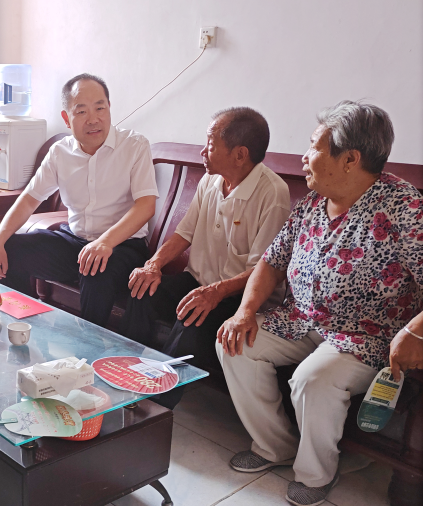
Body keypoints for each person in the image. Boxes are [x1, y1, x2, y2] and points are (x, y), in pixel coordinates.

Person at [216, 101, 423, 506]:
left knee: (314, 379)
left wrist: (415, 331)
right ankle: (275, 446)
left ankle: (316, 473)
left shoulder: (405, 207)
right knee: (233, 343)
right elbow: (271, 263)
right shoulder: (313, 201)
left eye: (314, 146)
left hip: (366, 336)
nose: (304, 156)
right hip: (300, 320)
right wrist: (244, 312)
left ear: (350, 159)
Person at [120, 107, 290, 378]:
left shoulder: (273, 193)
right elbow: (184, 233)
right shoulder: (211, 179)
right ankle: (124, 368)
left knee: (193, 319)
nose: (203, 151)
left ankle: (158, 393)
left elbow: (264, 270)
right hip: (199, 282)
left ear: (240, 155)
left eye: (211, 145)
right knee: (142, 290)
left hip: (239, 296)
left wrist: (215, 292)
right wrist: (152, 265)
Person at [0, 74, 158, 327]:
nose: (93, 119)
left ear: (109, 108)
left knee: (95, 269)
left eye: (100, 108)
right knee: (11, 250)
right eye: (82, 111)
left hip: (122, 247)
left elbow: (146, 206)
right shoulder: (60, 152)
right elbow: (29, 199)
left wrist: (104, 243)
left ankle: (88, 346)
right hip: (75, 243)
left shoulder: (134, 145)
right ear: (66, 118)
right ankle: (25, 327)